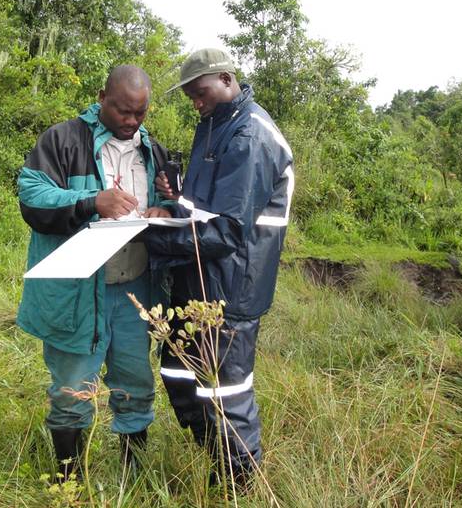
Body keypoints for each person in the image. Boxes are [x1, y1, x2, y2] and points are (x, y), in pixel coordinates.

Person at [146, 48, 294, 488]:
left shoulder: (250, 135)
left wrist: (143, 235)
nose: (195, 101)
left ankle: (240, 484)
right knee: (177, 371)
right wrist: (172, 203)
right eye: (190, 95)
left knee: (225, 392)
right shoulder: (214, 126)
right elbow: (201, 210)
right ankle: (214, 459)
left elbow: (227, 231)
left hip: (230, 291)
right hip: (194, 281)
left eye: (200, 92)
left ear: (227, 79)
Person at [16, 65, 171, 480]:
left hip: (134, 290)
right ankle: (70, 482)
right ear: (102, 97)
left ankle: (132, 477)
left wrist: (163, 208)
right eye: (122, 111)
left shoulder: (153, 150)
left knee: (136, 384)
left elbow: (170, 199)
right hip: (78, 291)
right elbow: (32, 195)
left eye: (140, 113)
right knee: (71, 389)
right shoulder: (63, 139)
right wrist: (92, 201)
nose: (131, 121)